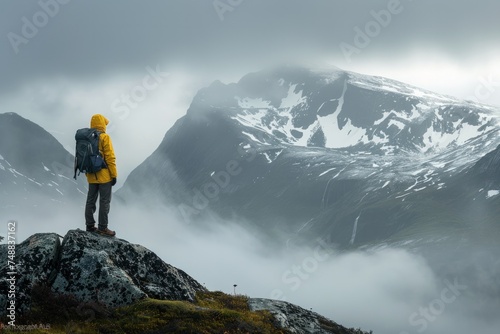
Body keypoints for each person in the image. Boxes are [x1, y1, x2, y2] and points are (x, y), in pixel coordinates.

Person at [84, 114, 117, 236]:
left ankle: (89, 225)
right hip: (104, 176)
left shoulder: (87, 138)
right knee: (104, 201)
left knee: (90, 200)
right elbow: (110, 157)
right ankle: (103, 228)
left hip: (91, 175)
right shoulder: (104, 137)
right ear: (102, 124)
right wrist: (113, 175)